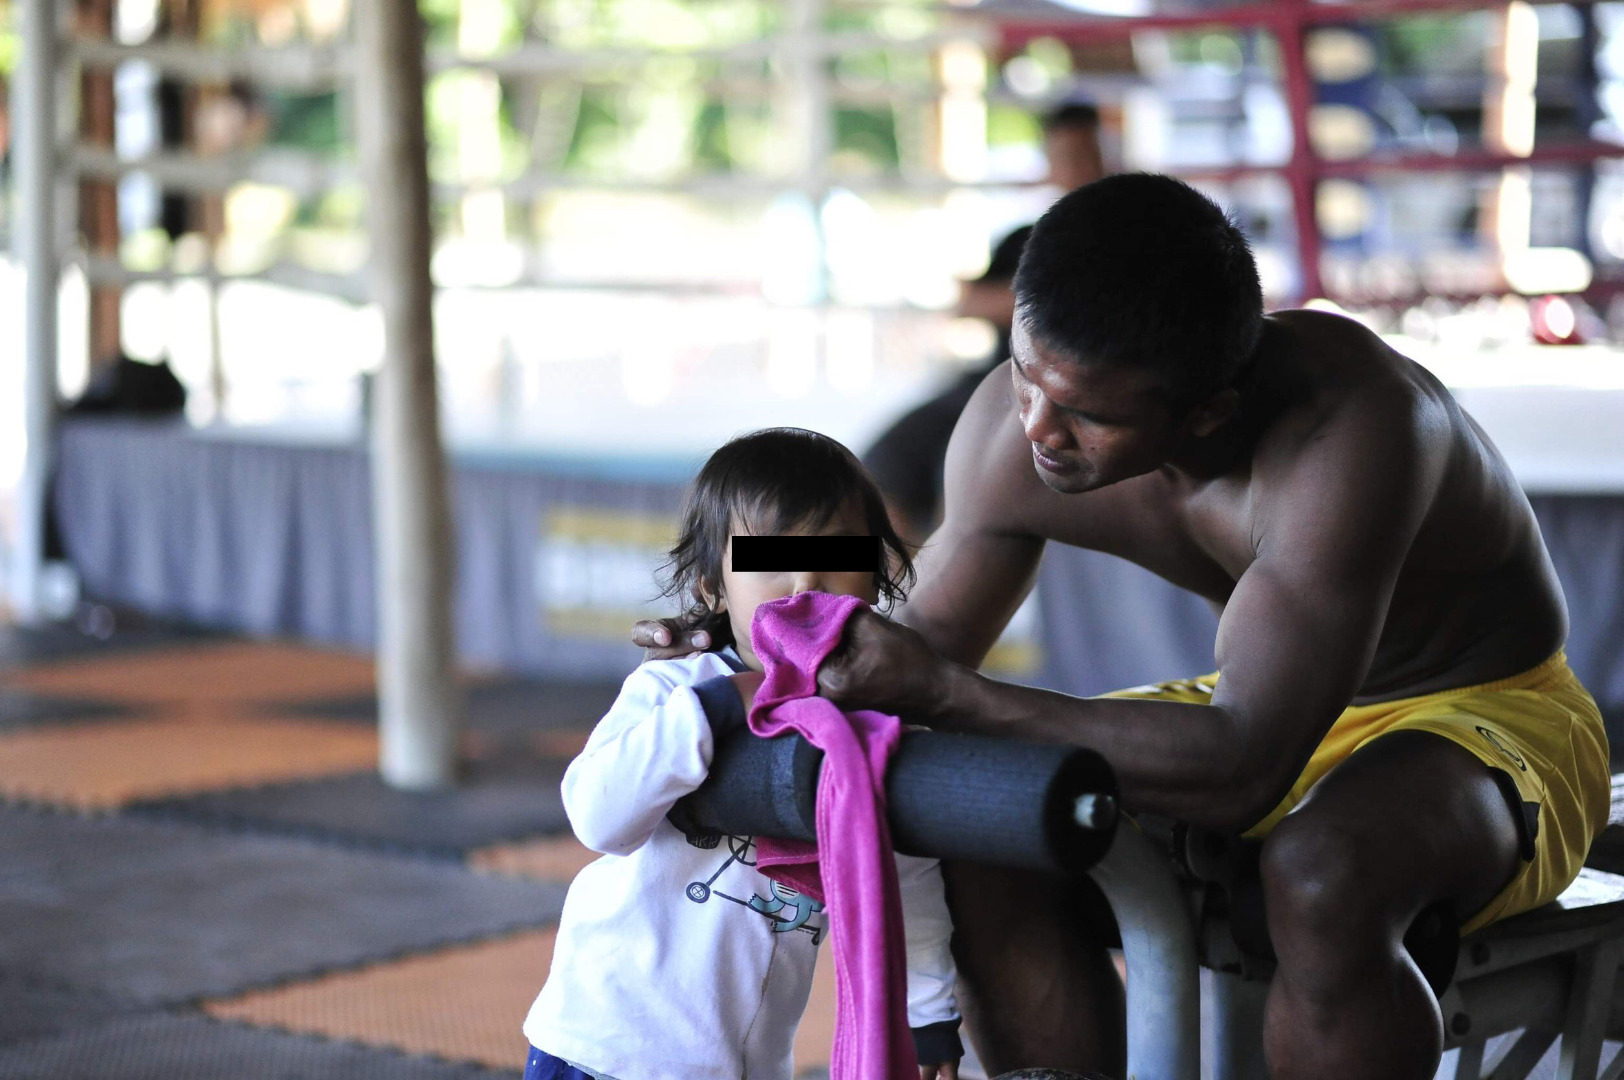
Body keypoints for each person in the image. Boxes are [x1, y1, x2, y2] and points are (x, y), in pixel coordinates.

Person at [639, 174, 1611, 1080]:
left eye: (1084, 413)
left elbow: (1244, 766)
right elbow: (913, 656)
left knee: (1323, 873)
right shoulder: (1014, 423)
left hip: (1481, 715)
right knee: (986, 813)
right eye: (1026, 377)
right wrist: (741, 661)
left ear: (1207, 413)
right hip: (1260, 706)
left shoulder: (1351, 435)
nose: (1036, 427)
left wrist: (950, 694)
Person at [525, 427, 964, 1080]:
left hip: (749, 1064)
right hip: (603, 1043)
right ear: (712, 587)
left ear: (875, 578)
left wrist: (926, 1014)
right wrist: (717, 706)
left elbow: (908, 877)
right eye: (770, 559)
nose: (805, 584)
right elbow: (597, 819)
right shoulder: (674, 690)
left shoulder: (872, 732)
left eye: (837, 556)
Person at [864, 102, 1107, 544]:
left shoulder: (1125, 242)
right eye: (1064, 157)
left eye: (1086, 155)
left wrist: (1014, 303)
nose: (1077, 169)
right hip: (987, 384)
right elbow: (968, 304)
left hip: (1047, 399)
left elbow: (1086, 313)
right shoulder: (1026, 238)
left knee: (956, 481)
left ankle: (931, 573)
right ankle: (896, 577)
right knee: (878, 471)